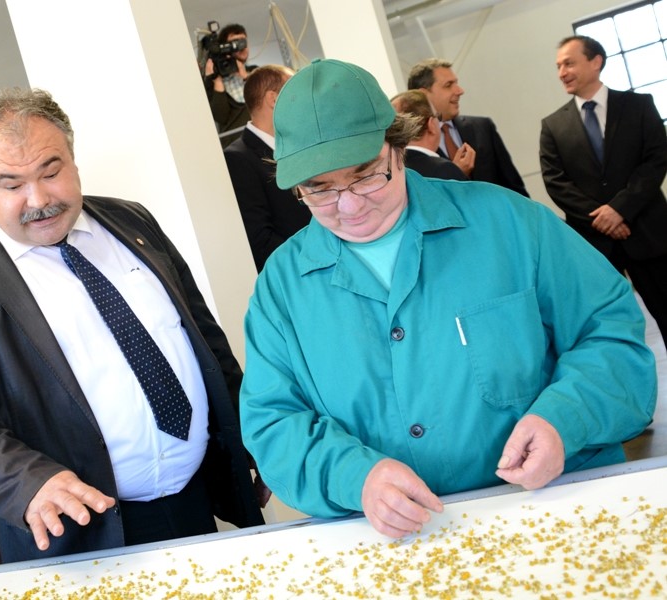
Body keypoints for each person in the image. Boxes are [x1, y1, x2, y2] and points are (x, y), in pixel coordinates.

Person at [240, 59, 655, 540]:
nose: (349, 206)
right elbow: (273, 422)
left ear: (397, 147)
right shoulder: (281, 288)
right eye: (319, 189)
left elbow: (611, 334)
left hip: (550, 510)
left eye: (366, 175)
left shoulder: (509, 224)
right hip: (399, 543)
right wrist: (354, 477)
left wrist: (566, 419)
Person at [0, 88, 265, 563]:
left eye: (50, 172)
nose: (38, 199)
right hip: (87, 535)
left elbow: (202, 339)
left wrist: (252, 438)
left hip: (198, 499)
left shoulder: (131, 221)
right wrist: (28, 482)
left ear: (73, 160)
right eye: (11, 184)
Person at [540, 35, 667, 345]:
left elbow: (655, 161)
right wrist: (602, 217)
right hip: (595, 245)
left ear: (596, 62)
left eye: (569, 63)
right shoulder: (553, 125)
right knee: (611, 331)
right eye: (558, 66)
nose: (562, 73)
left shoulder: (639, 105)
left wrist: (620, 209)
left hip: (648, 234)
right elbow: (556, 182)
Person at [223, 65, 311, 272]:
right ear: (273, 99)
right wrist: (313, 258)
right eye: (295, 91)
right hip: (298, 271)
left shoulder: (298, 147)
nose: (304, 101)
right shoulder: (238, 159)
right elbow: (260, 237)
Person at [408, 58, 528, 196]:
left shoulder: (483, 127)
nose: (460, 91)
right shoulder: (408, 149)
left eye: (456, 83)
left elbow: (514, 187)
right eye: (448, 85)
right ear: (424, 94)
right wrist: (455, 173)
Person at [390, 90, 467, 181]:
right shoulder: (444, 170)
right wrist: (457, 174)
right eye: (437, 116)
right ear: (431, 125)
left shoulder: (390, 171)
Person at [203, 23, 257, 147]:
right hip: (236, 146)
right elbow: (221, 117)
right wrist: (217, 81)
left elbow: (265, 98)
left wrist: (245, 76)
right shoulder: (213, 82)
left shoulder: (257, 72)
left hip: (263, 139)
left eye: (243, 41)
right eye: (235, 42)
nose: (241, 46)